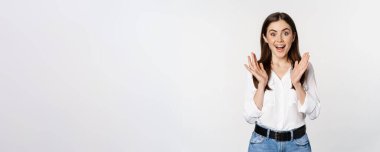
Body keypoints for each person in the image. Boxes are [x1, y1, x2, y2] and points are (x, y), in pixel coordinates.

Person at [243, 12, 321, 152]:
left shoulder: (305, 68)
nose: (279, 39)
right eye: (273, 34)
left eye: (285, 33)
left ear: (293, 36)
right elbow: (249, 117)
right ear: (265, 38)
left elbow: (314, 113)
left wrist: (297, 84)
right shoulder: (256, 69)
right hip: (262, 145)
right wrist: (261, 85)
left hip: (297, 145)